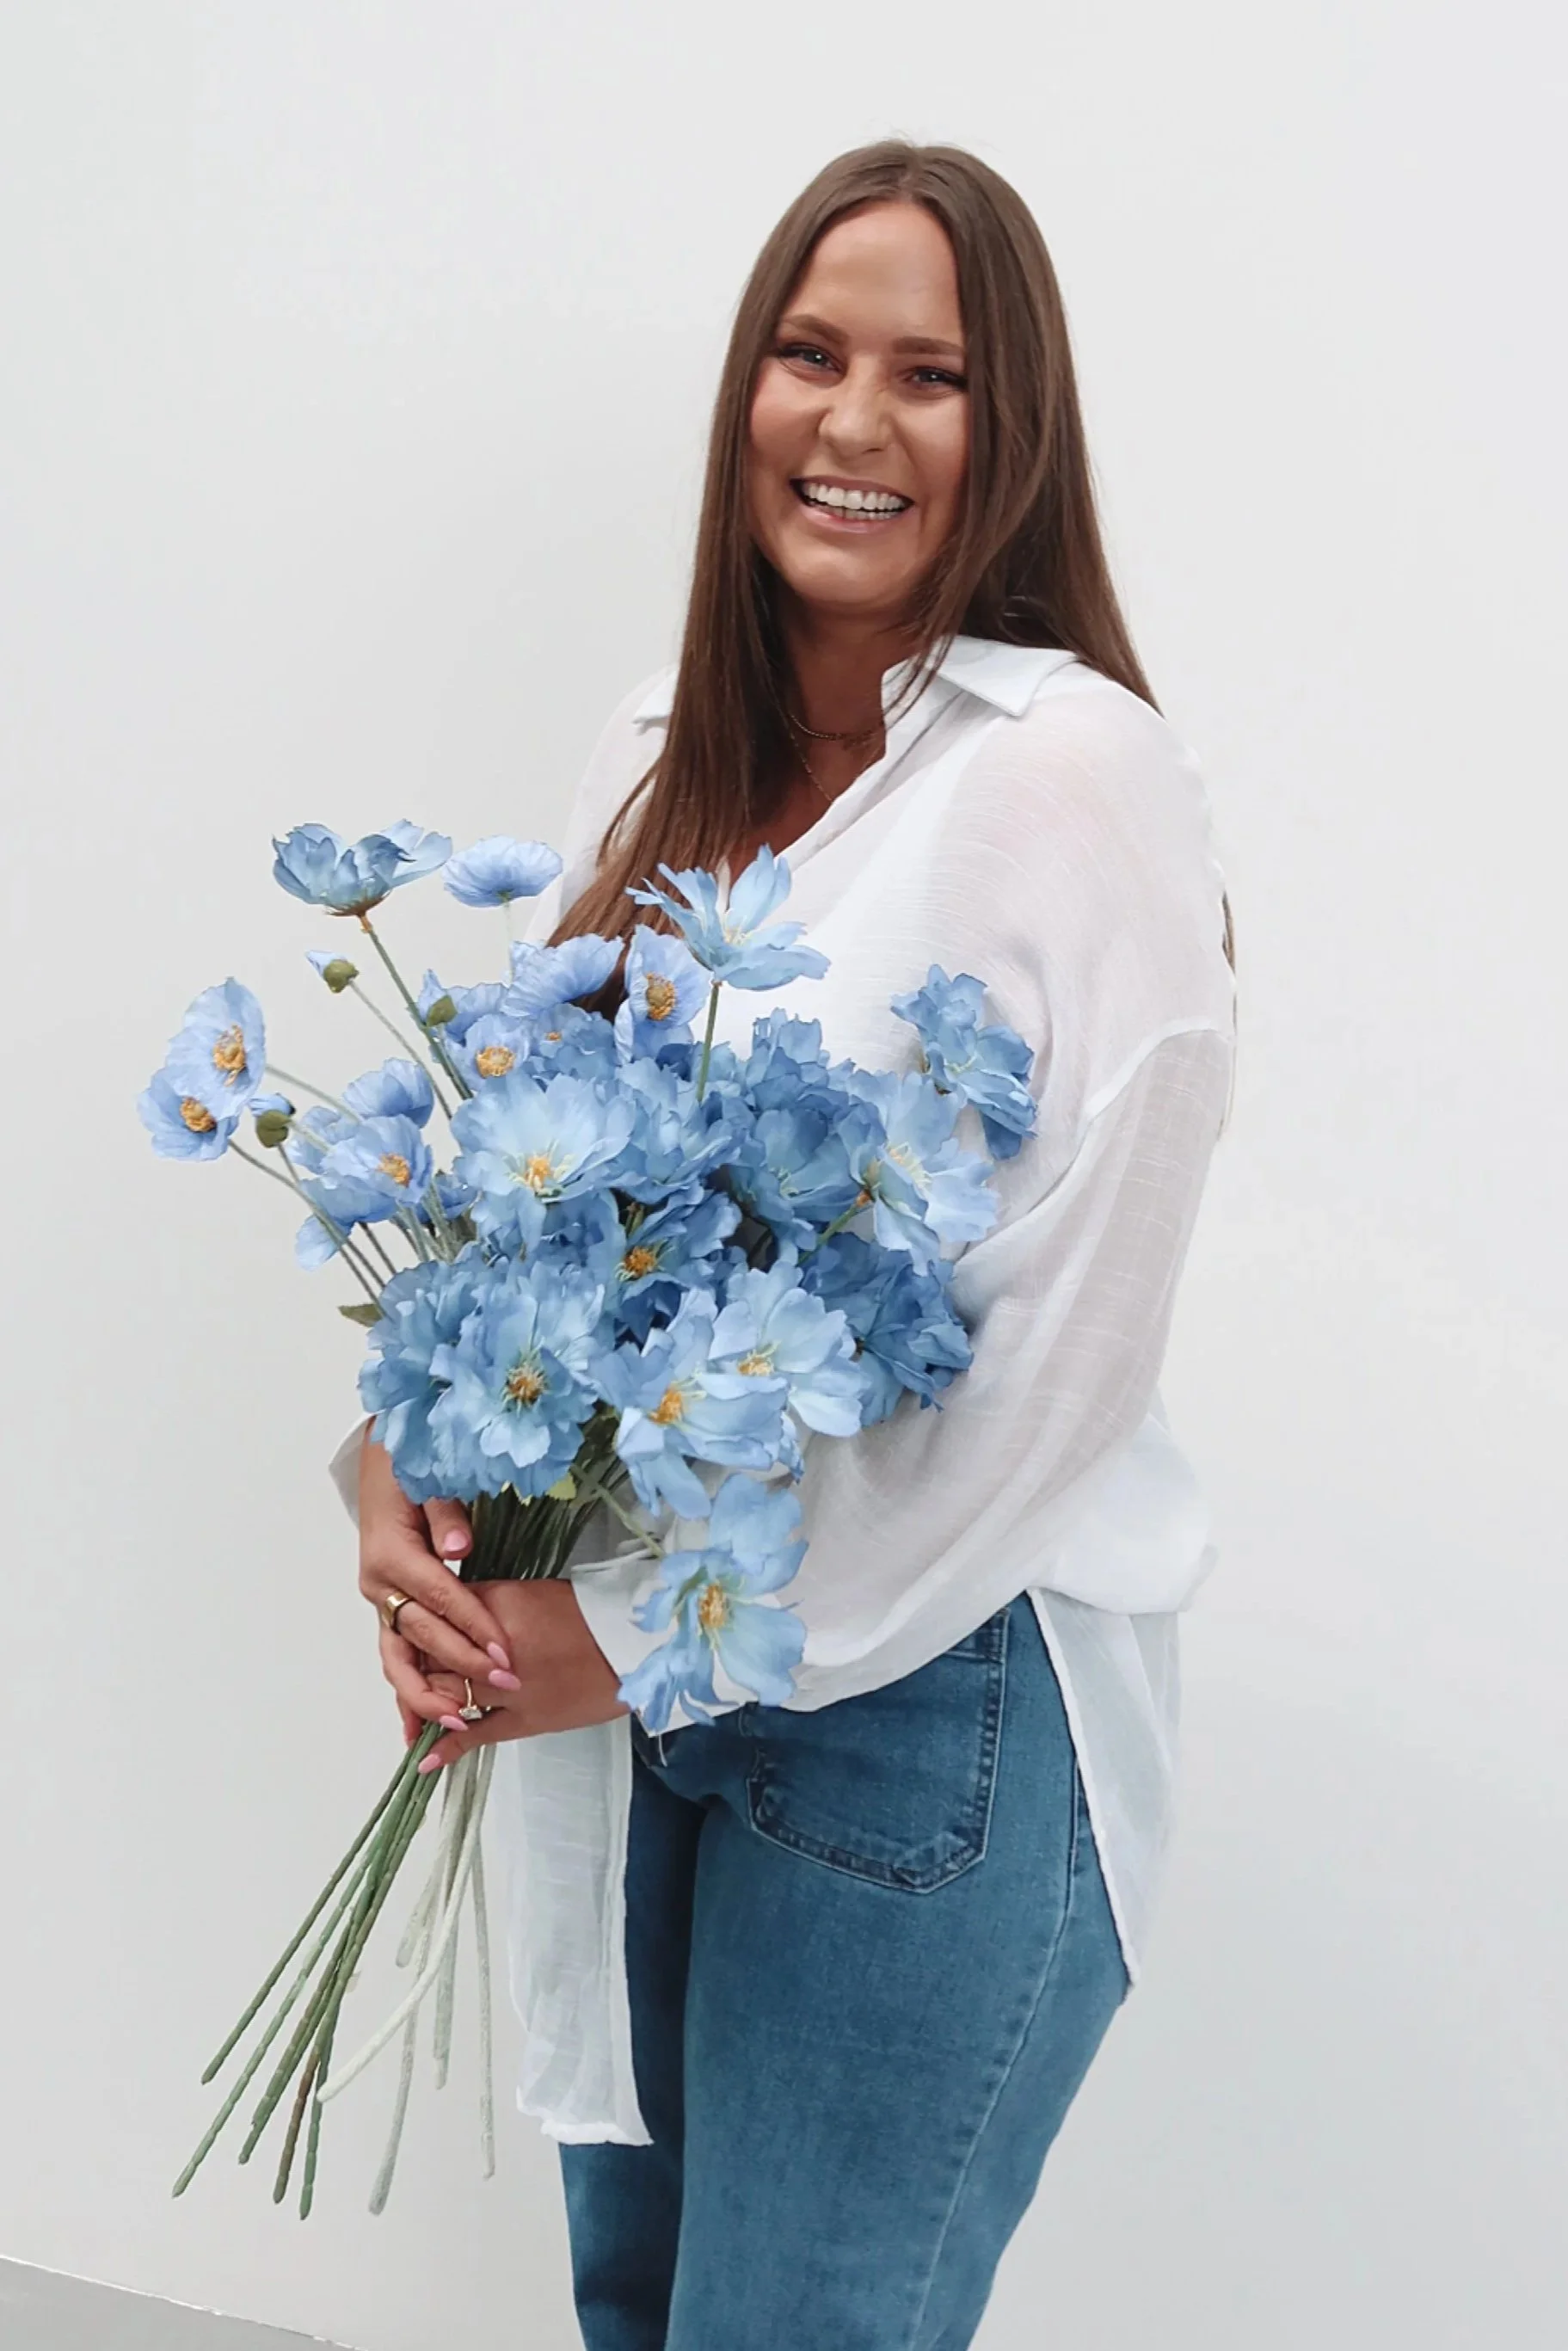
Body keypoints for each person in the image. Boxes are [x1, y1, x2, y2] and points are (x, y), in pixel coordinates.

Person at [339, 139, 1237, 2351]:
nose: (849, 422)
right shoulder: (659, 763)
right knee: (635, 2310)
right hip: (635, 1672)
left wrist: (638, 1632)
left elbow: (1059, 1378)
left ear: (1005, 435)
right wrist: (398, 1481)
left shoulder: (1067, 776)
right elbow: (503, 1218)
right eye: (806, 353)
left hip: (923, 1690)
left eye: (927, 377)